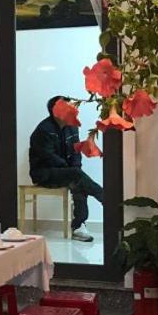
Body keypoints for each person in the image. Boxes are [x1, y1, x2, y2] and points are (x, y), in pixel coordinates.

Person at [29, 96, 103, 242]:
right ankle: (103, 198)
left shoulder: (72, 127)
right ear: (56, 111)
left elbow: (76, 152)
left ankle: (79, 225)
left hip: (66, 172)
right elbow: (48, 157)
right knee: (76, 175)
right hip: (44, 173)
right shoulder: (43, 130)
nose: (73, 109)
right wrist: (72, 171)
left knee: (78, 181)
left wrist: (75, 169)